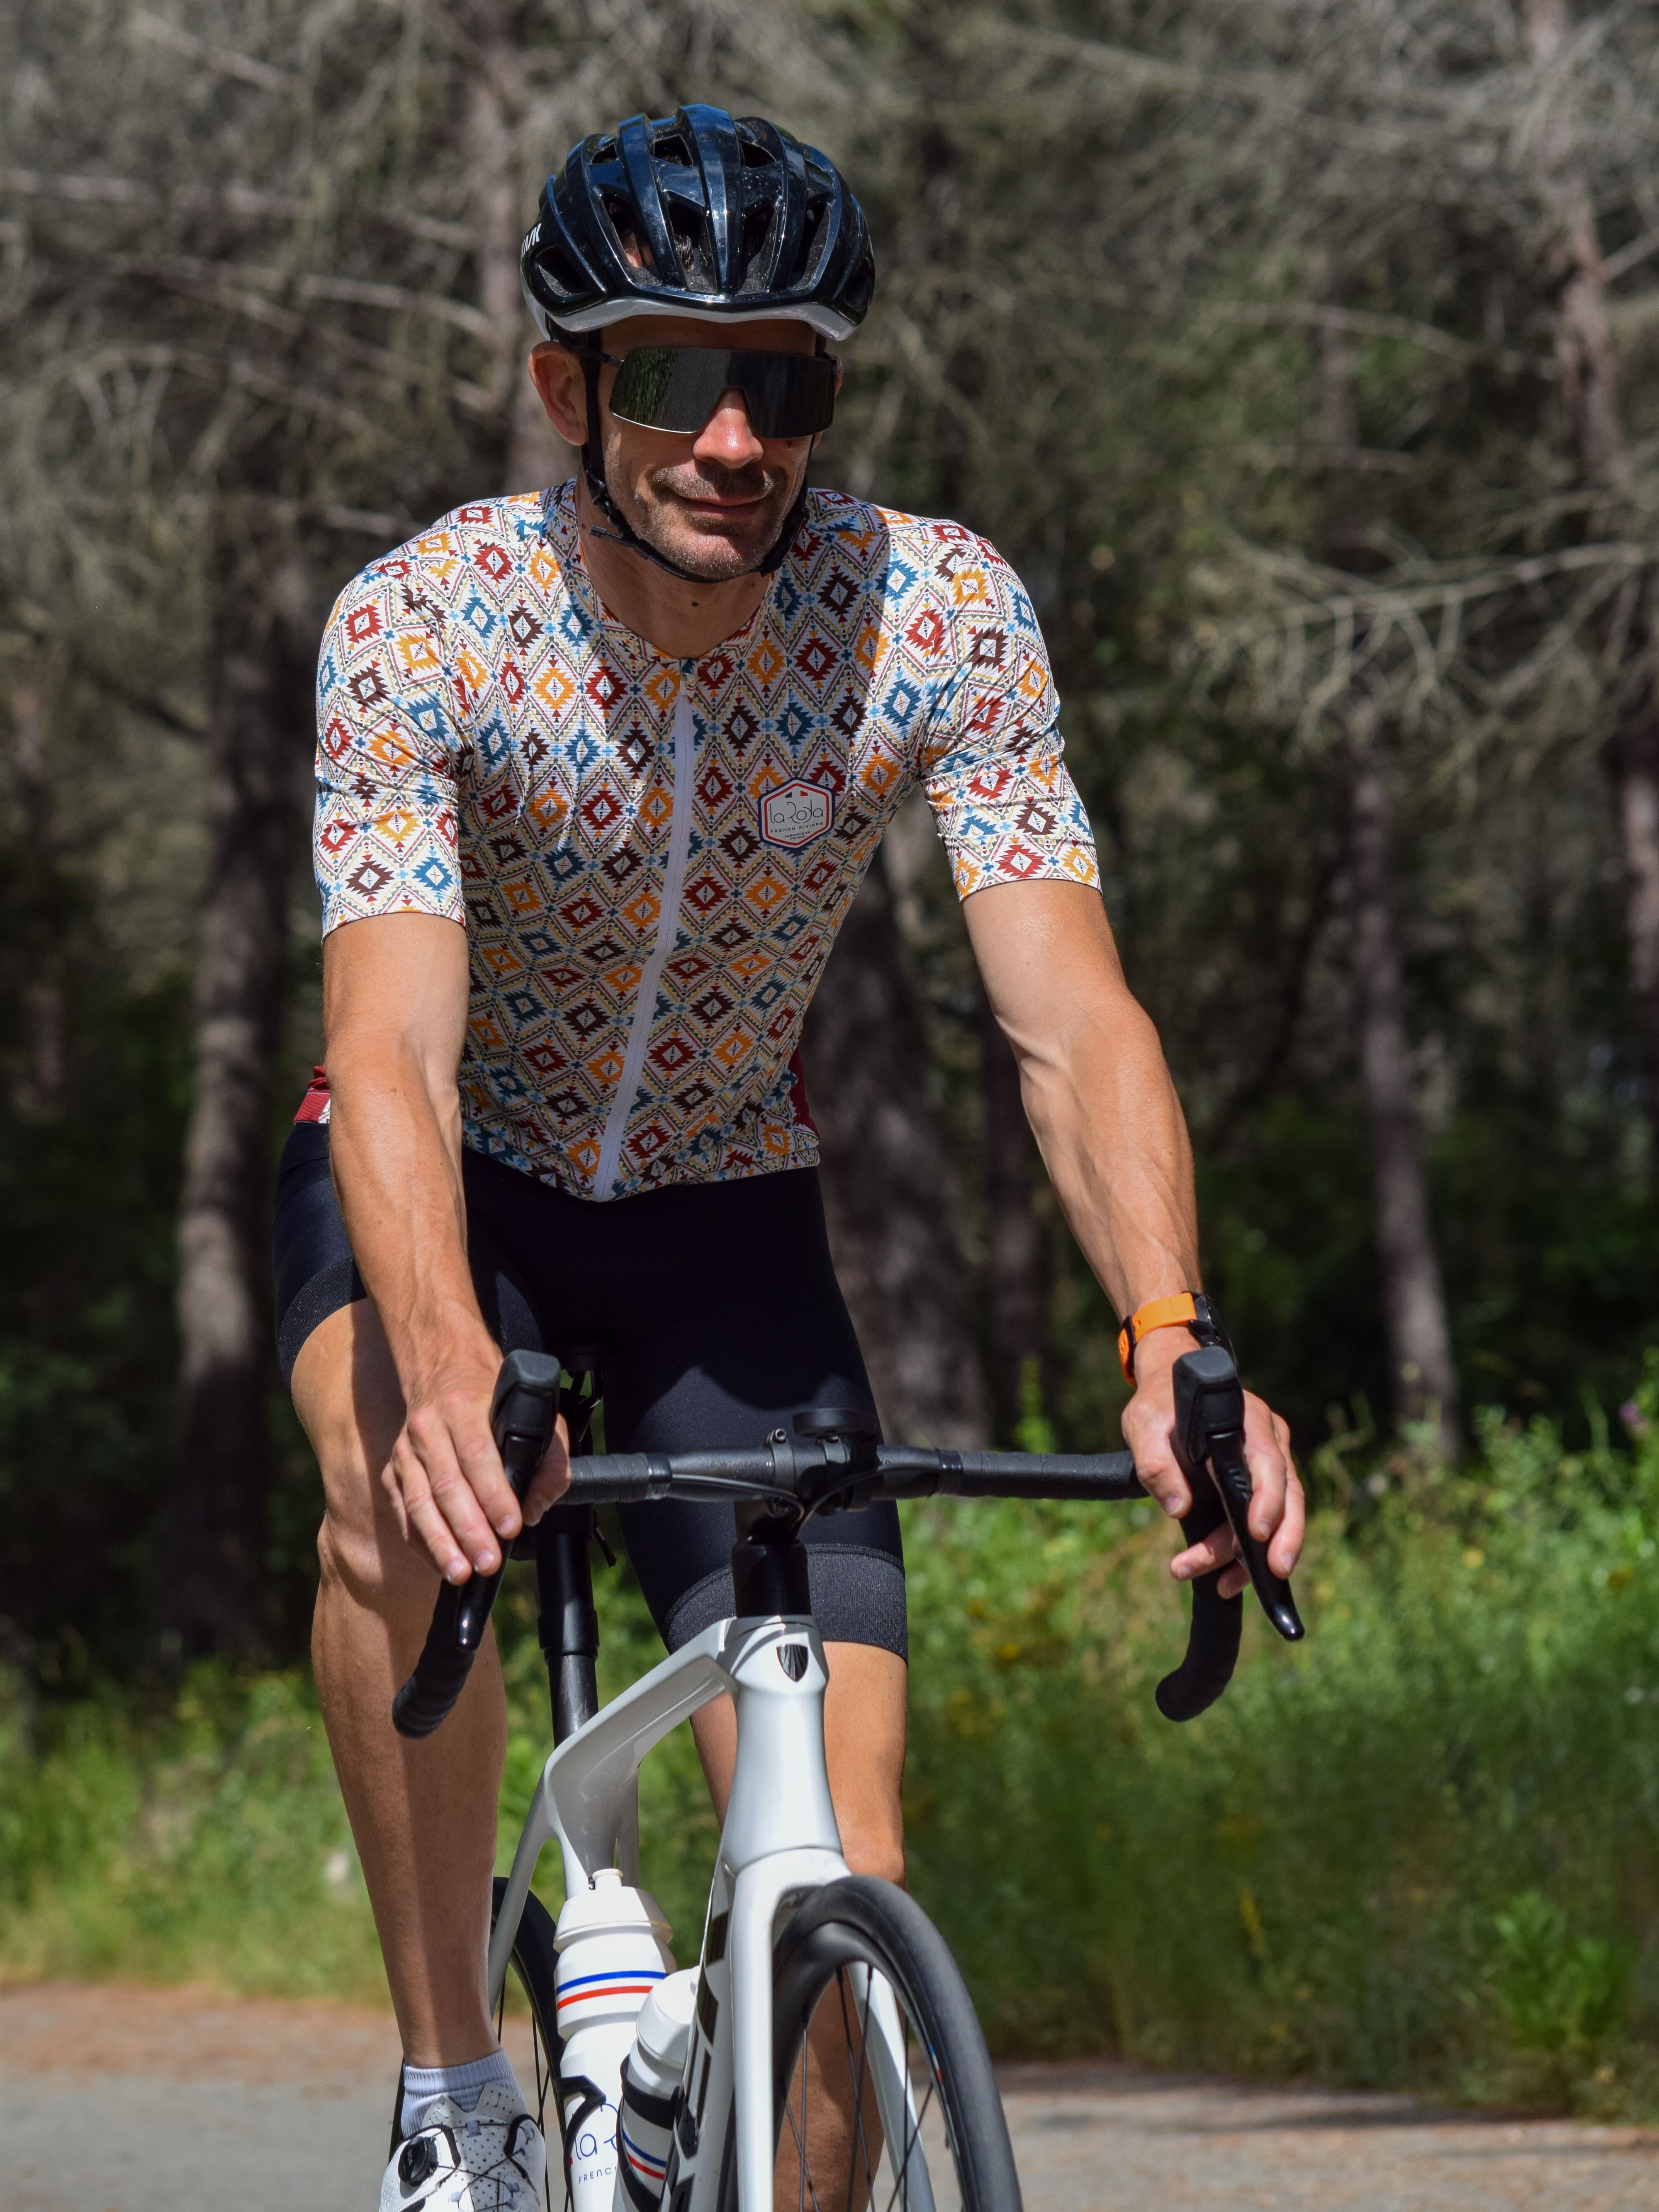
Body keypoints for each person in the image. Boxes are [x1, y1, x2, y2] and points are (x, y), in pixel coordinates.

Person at [277, 102, 1304, 2211]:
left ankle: (728, 2071)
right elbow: (384, 1047)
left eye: (787, 382)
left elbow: (1070, 1016)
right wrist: (454, 1357)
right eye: (673, 372)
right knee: (402, 1504)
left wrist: (1171, 1334)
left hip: (728, 1216)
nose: (735, 434)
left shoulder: (938, 614)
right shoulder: (426, 621)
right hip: (450, 1182)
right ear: (570, 387)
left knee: (843, 1871)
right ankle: (456, 2080)